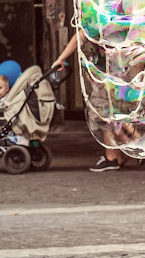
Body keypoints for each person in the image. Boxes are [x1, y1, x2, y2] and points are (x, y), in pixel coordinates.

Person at [52, 30, 131, 173]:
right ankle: (118, 155)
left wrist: (61, 58)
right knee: (111, 114)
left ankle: (120, 152)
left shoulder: (95, 15)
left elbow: (79, 36)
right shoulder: (116, 16)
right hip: (119, 72)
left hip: (103, 75)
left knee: (101, 116)